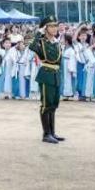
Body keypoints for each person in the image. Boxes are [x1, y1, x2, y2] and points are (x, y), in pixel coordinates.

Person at [28, 15, 63, 144]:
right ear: (45, 28)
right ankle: (46, 134)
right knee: (46, 105)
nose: (55, 28)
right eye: (51, 26)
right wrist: (39, 33)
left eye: (55, 26)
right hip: (46, 74)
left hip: (55, 74)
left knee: (53, 105)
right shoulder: (41, 42)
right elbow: (31, 46)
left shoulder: (56, 42)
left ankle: (52, 132)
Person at [60, 33, 76, 100]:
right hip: (63, 64)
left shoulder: (71, 50)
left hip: (67, 66)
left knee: (67, 79)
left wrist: (71, 69)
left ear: (66, 41)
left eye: (62, 39)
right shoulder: (63, 48)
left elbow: (72, 60)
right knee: (63, 79)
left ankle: (68, 93)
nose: (61, 40)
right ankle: (64, 93)